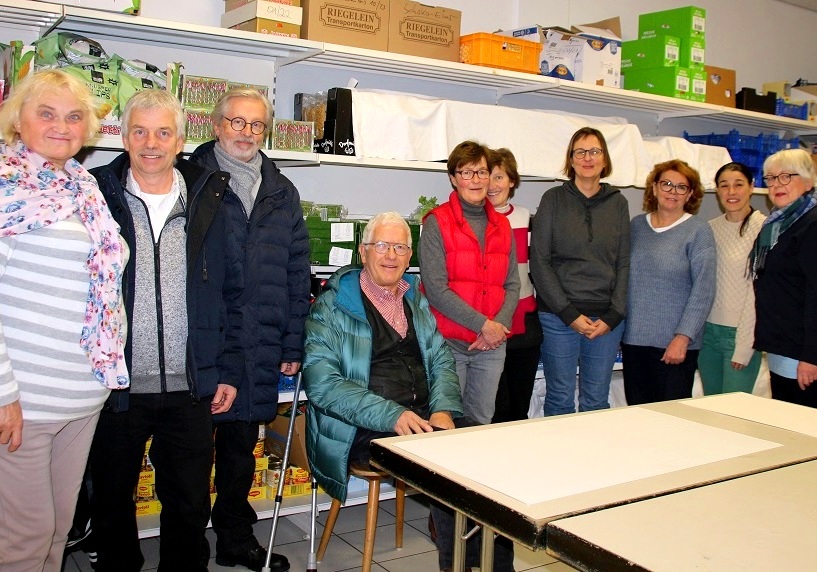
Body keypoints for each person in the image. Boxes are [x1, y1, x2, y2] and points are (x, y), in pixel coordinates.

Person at [303, 212, 512, 572]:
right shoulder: (331, 307)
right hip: (361, 427)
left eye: (400, 247)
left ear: (409, 255)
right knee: (446, 466)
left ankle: (494, 565)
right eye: (382, 245)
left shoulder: (414, 302)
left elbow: (442, 361)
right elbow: (324, 385)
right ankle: (457, 565)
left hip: (426, 420)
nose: (391, 255)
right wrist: (394, 415)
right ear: (363, 251)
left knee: (492, 455)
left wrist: (444, 408)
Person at [88, 89, 240, 571]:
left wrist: (228, 369)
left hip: (191, 385)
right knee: (111, 502)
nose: (151, 143)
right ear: (124, 136)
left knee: (189, 505)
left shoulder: (209, 198)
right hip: (118, 386)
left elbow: (233, 292)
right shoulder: (97, 195)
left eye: (163, 132)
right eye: (140, 131)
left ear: (180, 139)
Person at [0, 69, 128, 571]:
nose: (61, 125)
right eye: (46, 113)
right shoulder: (6, 186)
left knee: (57, 531)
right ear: (17, 119)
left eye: (74, 116)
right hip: (25, 401)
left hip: (82, 394)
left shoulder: (83, 187)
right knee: (23, 539)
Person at [190, 87, 310, 572]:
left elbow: (297, 271)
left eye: (256, 124)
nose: (246, 133)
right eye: (236, 122)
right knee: (192, 454)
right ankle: (188, 545)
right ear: (216, 126)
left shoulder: (282, 189)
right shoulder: (189, 180)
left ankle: (236, 540)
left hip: (260, 341)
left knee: (241, 453)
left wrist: (292, 341)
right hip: (203, 341)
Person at [529, 127, 630, 416]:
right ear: (571, 160)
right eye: (580, 152)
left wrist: (614, 316)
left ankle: (594, 460)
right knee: (559, 398)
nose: (588, 158)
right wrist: (569, 314)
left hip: (606, 321)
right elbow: (540, 261)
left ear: (604, 159)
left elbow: (624, 262)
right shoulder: (553, 200)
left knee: (596, 401)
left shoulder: (618, 203)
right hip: (559, 317)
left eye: (594, 151)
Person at [419, 140, 520, 426]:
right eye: (466, 172)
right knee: (444, 422)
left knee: (480, 423)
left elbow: (512, 284)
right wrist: (484, 326)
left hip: (491, 347)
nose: (475, 180)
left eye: (482, 172)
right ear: (453, 178)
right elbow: (437, 289)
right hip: (449, 344)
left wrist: (496, 329)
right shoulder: (436, 223)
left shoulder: (502, 226)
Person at [622, 159, 716, 405]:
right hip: (634, 340)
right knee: (638, 415)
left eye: (681, 187)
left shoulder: (698, 231)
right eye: (666, 184)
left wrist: (682, 337)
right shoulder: (636, 226)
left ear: (691, 194)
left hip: (674, 346)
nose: (672, 192)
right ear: (654, 188)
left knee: (672, 420)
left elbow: (703, 290)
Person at [751, 149, 817, 408]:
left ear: (809, 181)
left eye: (786, 177)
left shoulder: (811, 225)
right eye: (771, 178)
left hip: (803, 352)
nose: (777, 184)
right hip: (784, 345)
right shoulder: (778, 225)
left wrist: (812, 357)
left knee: (804, 431)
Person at [698, 162, 765, 395]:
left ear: (752, 187)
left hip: (740, 334)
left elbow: (759, 292)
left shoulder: (764, 228)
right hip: (707, 334)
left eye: (739, 185)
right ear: (717, 190)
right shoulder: (708, 229)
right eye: (724, 186)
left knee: (734, 413)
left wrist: (745, 345)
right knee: (711, 408)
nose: (731, 192)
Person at [487, 148, 543, 422]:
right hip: (490, 324)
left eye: (499, 177)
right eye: (487, 176)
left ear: (512, 181)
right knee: (496, 406)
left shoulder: (526, 219)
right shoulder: (475, 218)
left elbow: (537, 267)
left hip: (524, 324)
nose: (491, 185)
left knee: (519, 404)